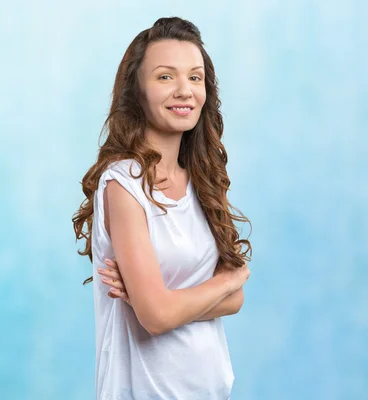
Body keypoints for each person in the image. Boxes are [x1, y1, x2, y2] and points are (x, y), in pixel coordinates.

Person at [72, 17, 253, 399]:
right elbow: (157, 317)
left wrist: (163, 301)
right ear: (137, 91)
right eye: (166, 77)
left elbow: (233, 304)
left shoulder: (202, 179)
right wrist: (225, 282)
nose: (185, 90)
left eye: (196, 77)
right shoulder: (123, 183)